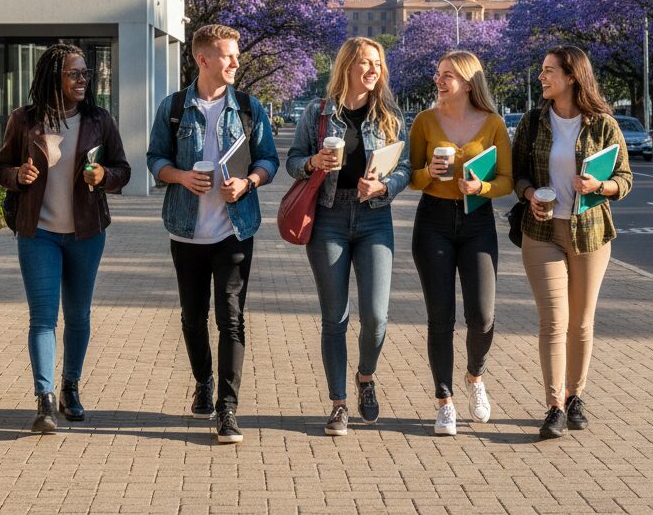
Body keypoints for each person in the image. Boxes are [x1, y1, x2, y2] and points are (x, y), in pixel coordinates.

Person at [146, 24, 279, 444]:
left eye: (237, 54)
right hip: (186, 232)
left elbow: (269, 160)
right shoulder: (173, 108)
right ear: (203, 59)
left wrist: (249, 182)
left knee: (231, 318)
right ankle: (203, 380)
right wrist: (181, 177)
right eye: (228, 55)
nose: (237, 62)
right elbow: (155, 159)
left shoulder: (248, 108)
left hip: (234, 231)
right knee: (192, 317)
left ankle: (227, 407)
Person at [0, 42, 131, 434]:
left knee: (78, 315)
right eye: (75, 73)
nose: (83, 79)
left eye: (86, 73)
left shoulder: (99, 120)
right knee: (42, 317)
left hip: (86, 234)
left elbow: (123, 170)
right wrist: (17, 175)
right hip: (38, 234)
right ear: (54, 76)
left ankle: (71, 386)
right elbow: (1, 167)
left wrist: (104, 176)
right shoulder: (24, 120)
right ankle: (45, 398)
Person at [286, 37, 411, 436]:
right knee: (334, 317)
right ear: (347, 67)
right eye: (366, 63)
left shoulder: (389, 113)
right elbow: (292, 161)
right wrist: (312, 162)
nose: (374, 70)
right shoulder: (318, 112)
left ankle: (365, 376)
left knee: (375, 317)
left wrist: (385, 187)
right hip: (329, 217)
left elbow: (405, 166)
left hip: (375, 218)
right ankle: (338, 403)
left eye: (378, 63)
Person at [512, 45, 632, 439]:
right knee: (553, 321)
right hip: (542, 232)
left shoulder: (603, 125)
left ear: (571, 76)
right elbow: (517, 175)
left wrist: (602, 186)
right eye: (542, 70)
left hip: (591, 233)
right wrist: (530, 194)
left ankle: (575, 395)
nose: (541, 77)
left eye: (549, 70)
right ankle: (554, 406)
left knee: (580, 322)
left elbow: (625, 179)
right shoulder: (532, 122)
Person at [407, 50, 512, 436]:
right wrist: (427, 173)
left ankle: (475, 376)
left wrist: (481, 187)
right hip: (432, 221)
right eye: (438, 73)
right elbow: (411, 176)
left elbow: (507, 180)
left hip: (477, 221)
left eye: (448, 75)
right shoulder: (424, 121)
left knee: (482, 316)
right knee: (440, 317)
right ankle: (445, 401)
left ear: (468, 83)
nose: (439, 80)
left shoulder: (493, 123)